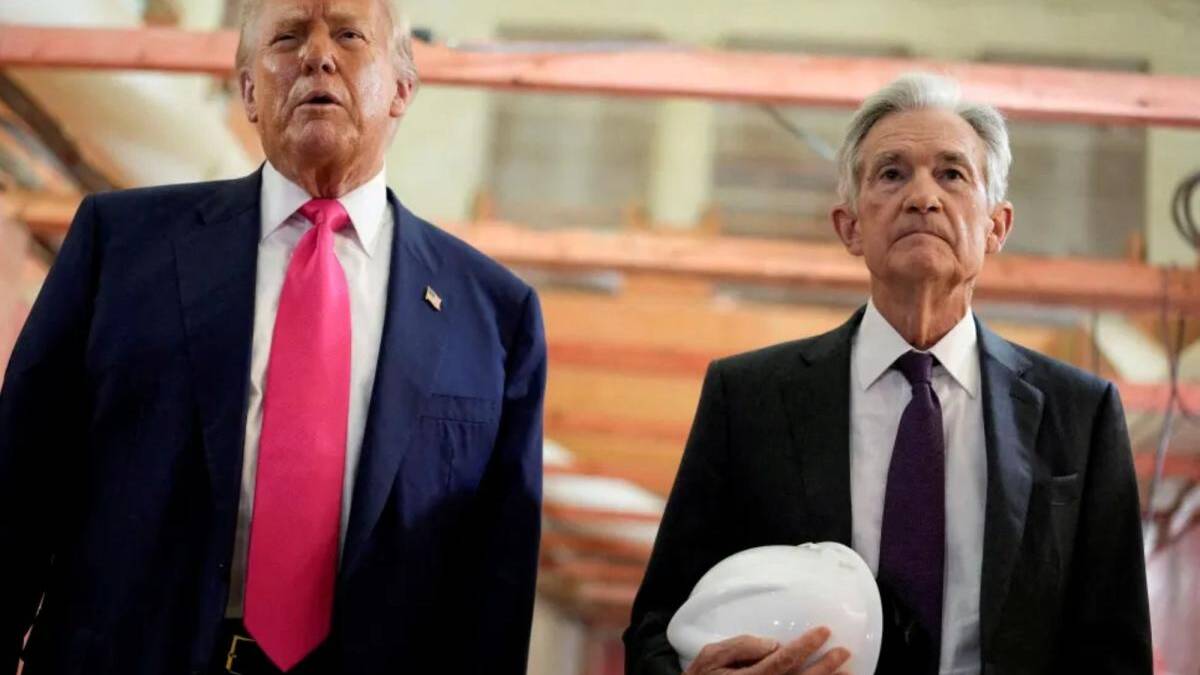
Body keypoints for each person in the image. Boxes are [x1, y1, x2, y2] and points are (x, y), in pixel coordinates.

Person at [0, 0, 546, 673]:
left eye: (348, 35)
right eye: (287, 38)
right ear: (249, 92)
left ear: (402, 89)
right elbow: (18, 487)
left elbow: (497, 584)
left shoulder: (494, 316)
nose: (317, 56)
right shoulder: (120, 248)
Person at [625, 73, 1151, 675]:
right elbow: (655, 627)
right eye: (892, 174)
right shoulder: (747, 400)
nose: (923, 197)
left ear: (997, 226)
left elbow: (1118, 651)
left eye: (952, 174)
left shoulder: (1080, 414)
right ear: (850, 226)